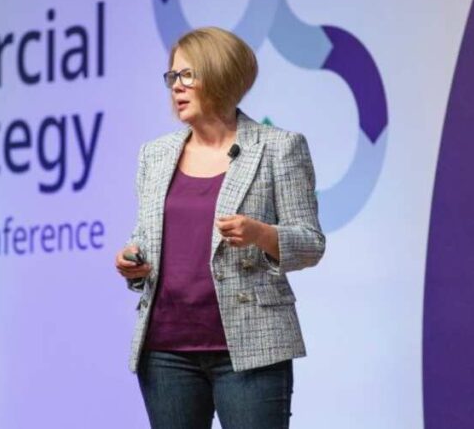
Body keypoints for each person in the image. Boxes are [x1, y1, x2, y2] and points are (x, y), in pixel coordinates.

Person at [114, 26, 325, 428]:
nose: (176, 86)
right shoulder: (155, 155)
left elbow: (311, 243)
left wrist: (261, 234)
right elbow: (146, 237)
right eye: (172, 76)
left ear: (220, 76)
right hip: (166, 350)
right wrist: (132, 259)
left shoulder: (279, 147)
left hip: (250, 346)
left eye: (187, 75)